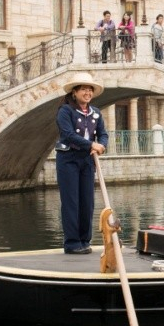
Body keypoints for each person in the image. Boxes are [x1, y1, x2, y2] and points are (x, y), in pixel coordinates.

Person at [55, 72, 108, 254]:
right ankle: (72, 243)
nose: (88, 93)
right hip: (68, 159)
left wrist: (101, 145)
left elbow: (103, 134)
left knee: (87, 201)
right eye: (84, 89)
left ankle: (85, 240)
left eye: (90, 89)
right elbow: (69, 135)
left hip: (87, 160)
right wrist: (91, 144)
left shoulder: (96, 113)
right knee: (71, 201)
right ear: (75, 92)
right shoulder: (65, 111)